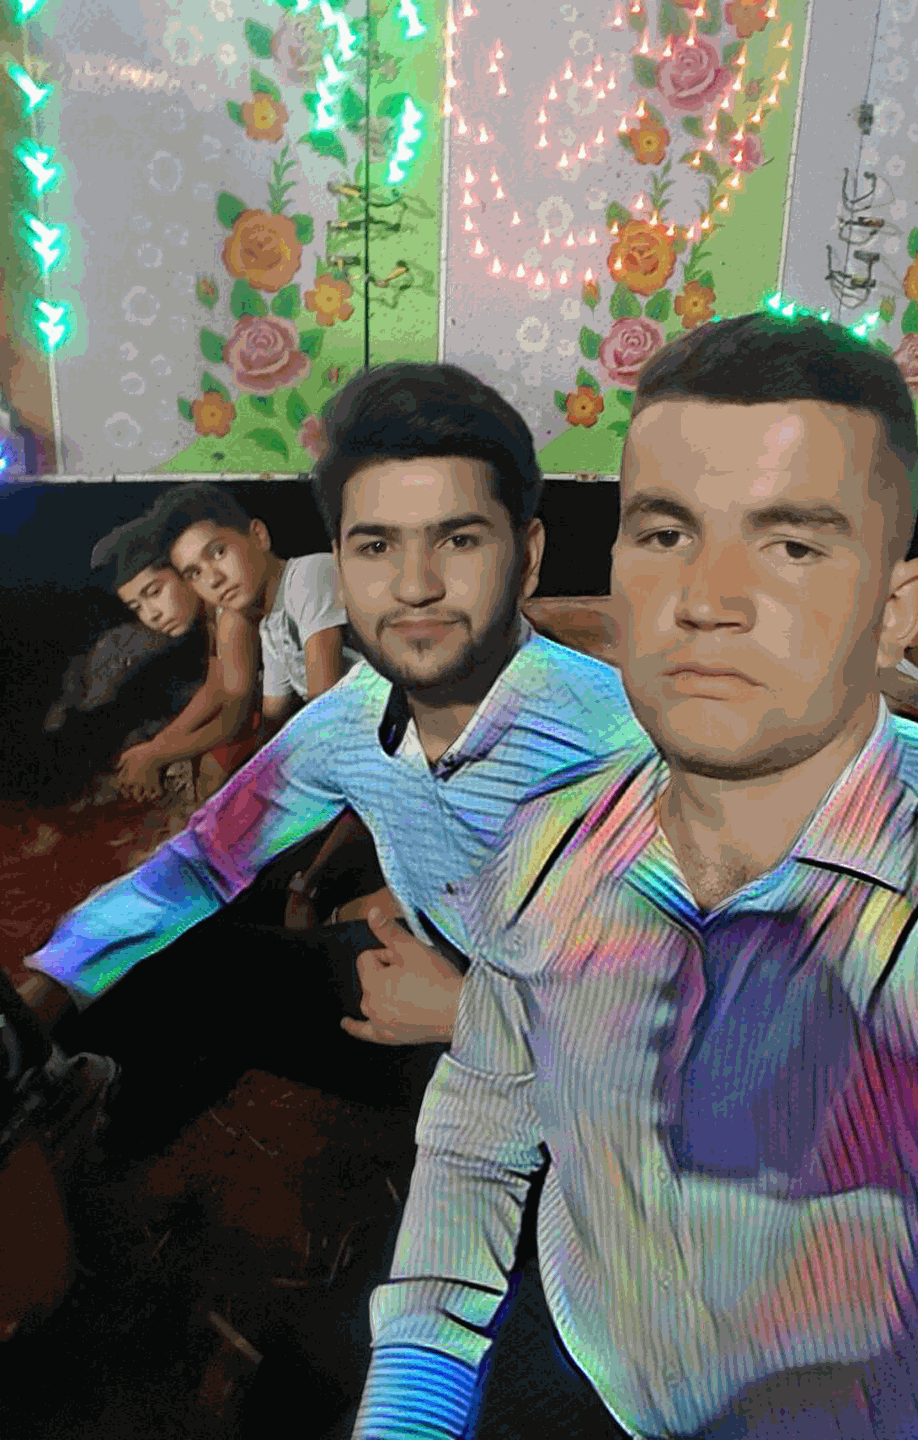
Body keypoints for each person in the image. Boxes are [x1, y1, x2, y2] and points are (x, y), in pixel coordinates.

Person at [356, 314, 918, 1440]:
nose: (707, 599)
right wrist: (411, 1405)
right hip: (613, 1397)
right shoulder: (549, 846)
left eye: (792, 545)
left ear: (895, 610)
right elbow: (478, 1134)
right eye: (665, 532)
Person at [14, 362, 649, 1436]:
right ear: (339, 562)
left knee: (389, 1372)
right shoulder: (352, 717)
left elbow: (711, 1019)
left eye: (458, 539)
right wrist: (41, 994)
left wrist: (468, 1011)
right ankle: (84, 1195)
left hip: (567, 1084)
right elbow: (200, 864)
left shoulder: (620, 739)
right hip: (406, 997)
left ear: (528, 553)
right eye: (376, 546)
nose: (414, 586)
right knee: (178, 963)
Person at [152, 482, 364, 741]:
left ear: (258, 536)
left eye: (218, 552)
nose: (214, 580)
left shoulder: (307, 576)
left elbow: (323, 704)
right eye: (195, 573)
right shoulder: (271, 625)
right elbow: (272, 717)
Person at [88, 511, 263, 803]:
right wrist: (156, 746)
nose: (151, 615)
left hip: (290, 710)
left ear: (183, 573)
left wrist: (156, 754)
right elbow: (216, 687)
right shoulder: (212, 614)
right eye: (137, 607)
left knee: (210, 769)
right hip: (259, 706)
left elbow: (235, 718)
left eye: (154, 592)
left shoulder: (230, 615)